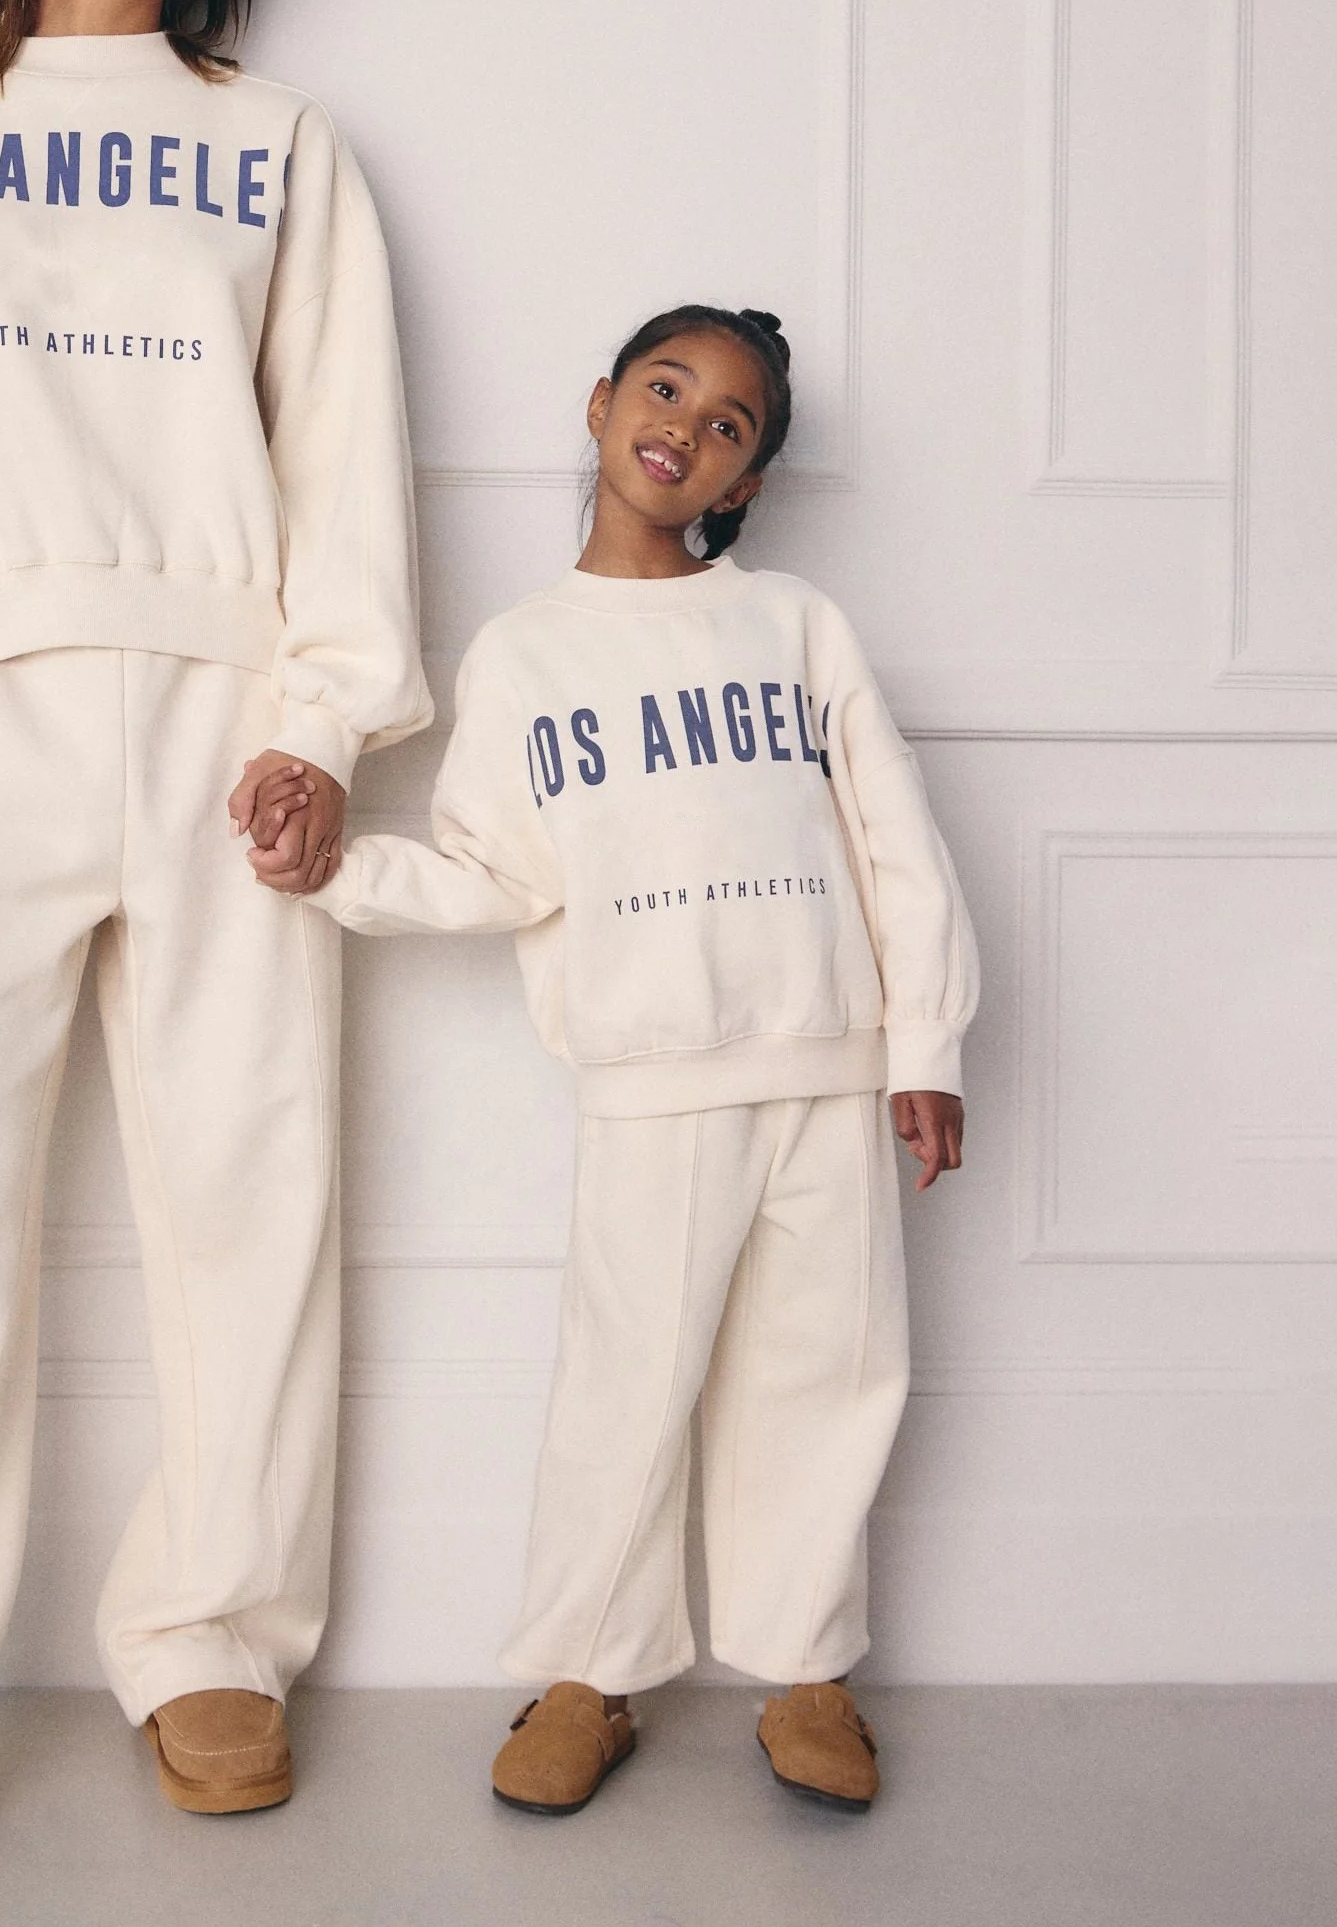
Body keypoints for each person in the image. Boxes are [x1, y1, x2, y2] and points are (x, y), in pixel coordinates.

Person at [0, 0, 428, 1913]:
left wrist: (321, 725)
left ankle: (213, 1629)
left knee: (249, 1184)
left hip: (227, 716)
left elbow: (343, 445)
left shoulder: (277, 144)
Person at [251, 304, 977, 1817]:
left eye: (729, 425)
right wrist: (337, 872)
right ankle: (589, 1673)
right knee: (625, 1388)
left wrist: (926, 1041)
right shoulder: (525, 655)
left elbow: (894, 836)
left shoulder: (798, 626)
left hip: (829, 1071)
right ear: (600, 405)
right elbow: (490, 872)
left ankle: (807, 1666)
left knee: (830, 1373)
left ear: (745, 483)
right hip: (652, 1079)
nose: (686, 429)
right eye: (667, 388)